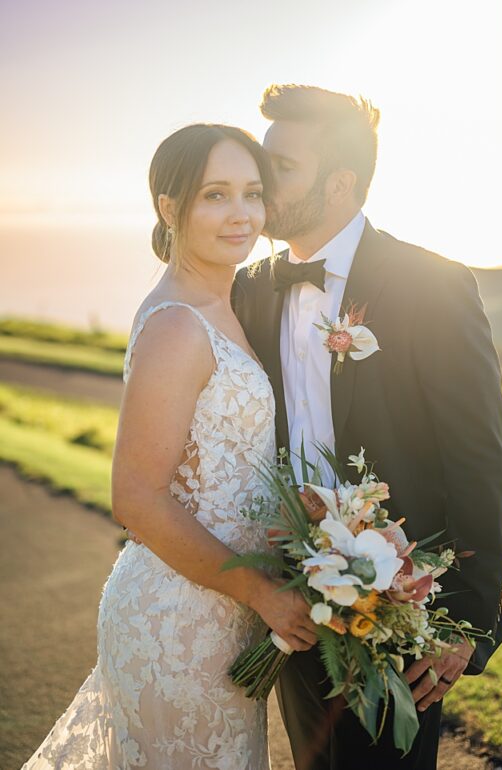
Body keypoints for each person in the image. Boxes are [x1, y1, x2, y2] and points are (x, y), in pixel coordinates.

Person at [231, 84, 502, 770]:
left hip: (403, 606)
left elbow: (478, 456)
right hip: (294, 602)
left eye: (282, 169)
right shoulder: (250, 287)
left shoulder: (432, 284)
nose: (262, 184)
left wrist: (470, 623)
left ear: (341, 182)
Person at [23, 124, 318, 769]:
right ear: (169, 207)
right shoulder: (178, 325)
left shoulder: (223, 302)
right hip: (178, 626)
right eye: (215, 195)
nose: (240, 214)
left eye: (251, 193)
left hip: (220, 617)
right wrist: (264, 595)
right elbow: (136, 496)